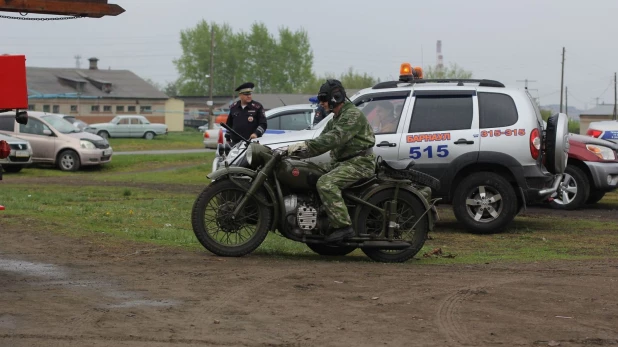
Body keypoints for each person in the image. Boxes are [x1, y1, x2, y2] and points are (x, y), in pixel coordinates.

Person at [287, 79, 376, 242]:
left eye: (323, 99)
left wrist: (305, 147)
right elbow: (321, 140)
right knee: (310, 172)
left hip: (359, 163)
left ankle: (344, 227)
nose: (321, 104)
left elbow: (333, 139)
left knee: (326, 184)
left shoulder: (352, 115)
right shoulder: (336, 117)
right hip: (343, 162)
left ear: (336, 97)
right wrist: (296, 151)